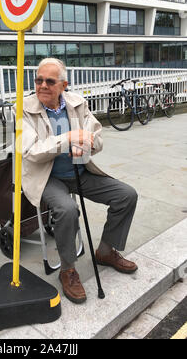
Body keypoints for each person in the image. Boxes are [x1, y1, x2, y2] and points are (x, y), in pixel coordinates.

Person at [20, 58, 138, 304]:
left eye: (49, 81)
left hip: (79, 171)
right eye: (38, 80)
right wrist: (68, 138)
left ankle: (105, 251)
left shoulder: (78, 103)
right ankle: (68, 269)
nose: (42, 85)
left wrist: (87, 143)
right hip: (47, 177)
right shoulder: (22, 108)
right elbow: (30, 151)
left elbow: (97, 136)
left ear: (64, 85)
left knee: (126, 195)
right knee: (67, 209)